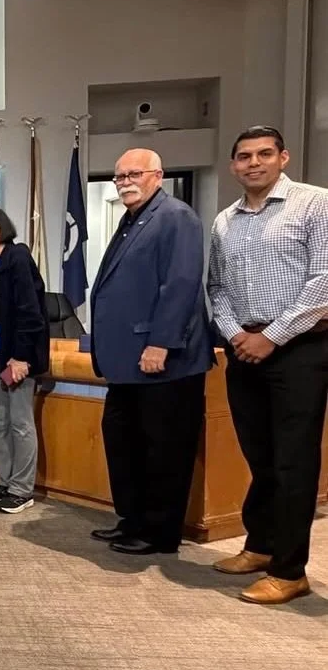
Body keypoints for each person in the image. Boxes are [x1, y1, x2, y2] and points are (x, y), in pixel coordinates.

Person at [207, 126, 328, 605]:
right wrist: (237, 334)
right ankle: (260, 545)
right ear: (233, 165)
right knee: (259, 456)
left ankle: (290, 569)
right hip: (244, 349)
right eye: (243, 156)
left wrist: (271, 337)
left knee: (293, 461)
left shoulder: (315, 204)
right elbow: (216, 287)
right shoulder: (224, 221)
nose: (253, 163)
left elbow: (324, 282)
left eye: (263, 154)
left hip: (300, 348)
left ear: (283, 157)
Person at [89, 149, 214, 556]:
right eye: (119, 175)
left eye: (133, 174)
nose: (124, 181)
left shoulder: (175, 216)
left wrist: (160, 341)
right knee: (124, 445)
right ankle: (133, 520)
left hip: (163, 361)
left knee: (162, 450)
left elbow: (180, 285)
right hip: (127, 365)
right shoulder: (132, 220)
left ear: (157, 175)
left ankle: (159, 533)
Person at [0, 206, 49, 514]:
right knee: (1, 421)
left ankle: (21, 489)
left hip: (14, 355)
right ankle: (5, 481)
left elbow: (31, 311)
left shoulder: (17, 256)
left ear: (2, 225)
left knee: (20, 423)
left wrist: (22, 357)